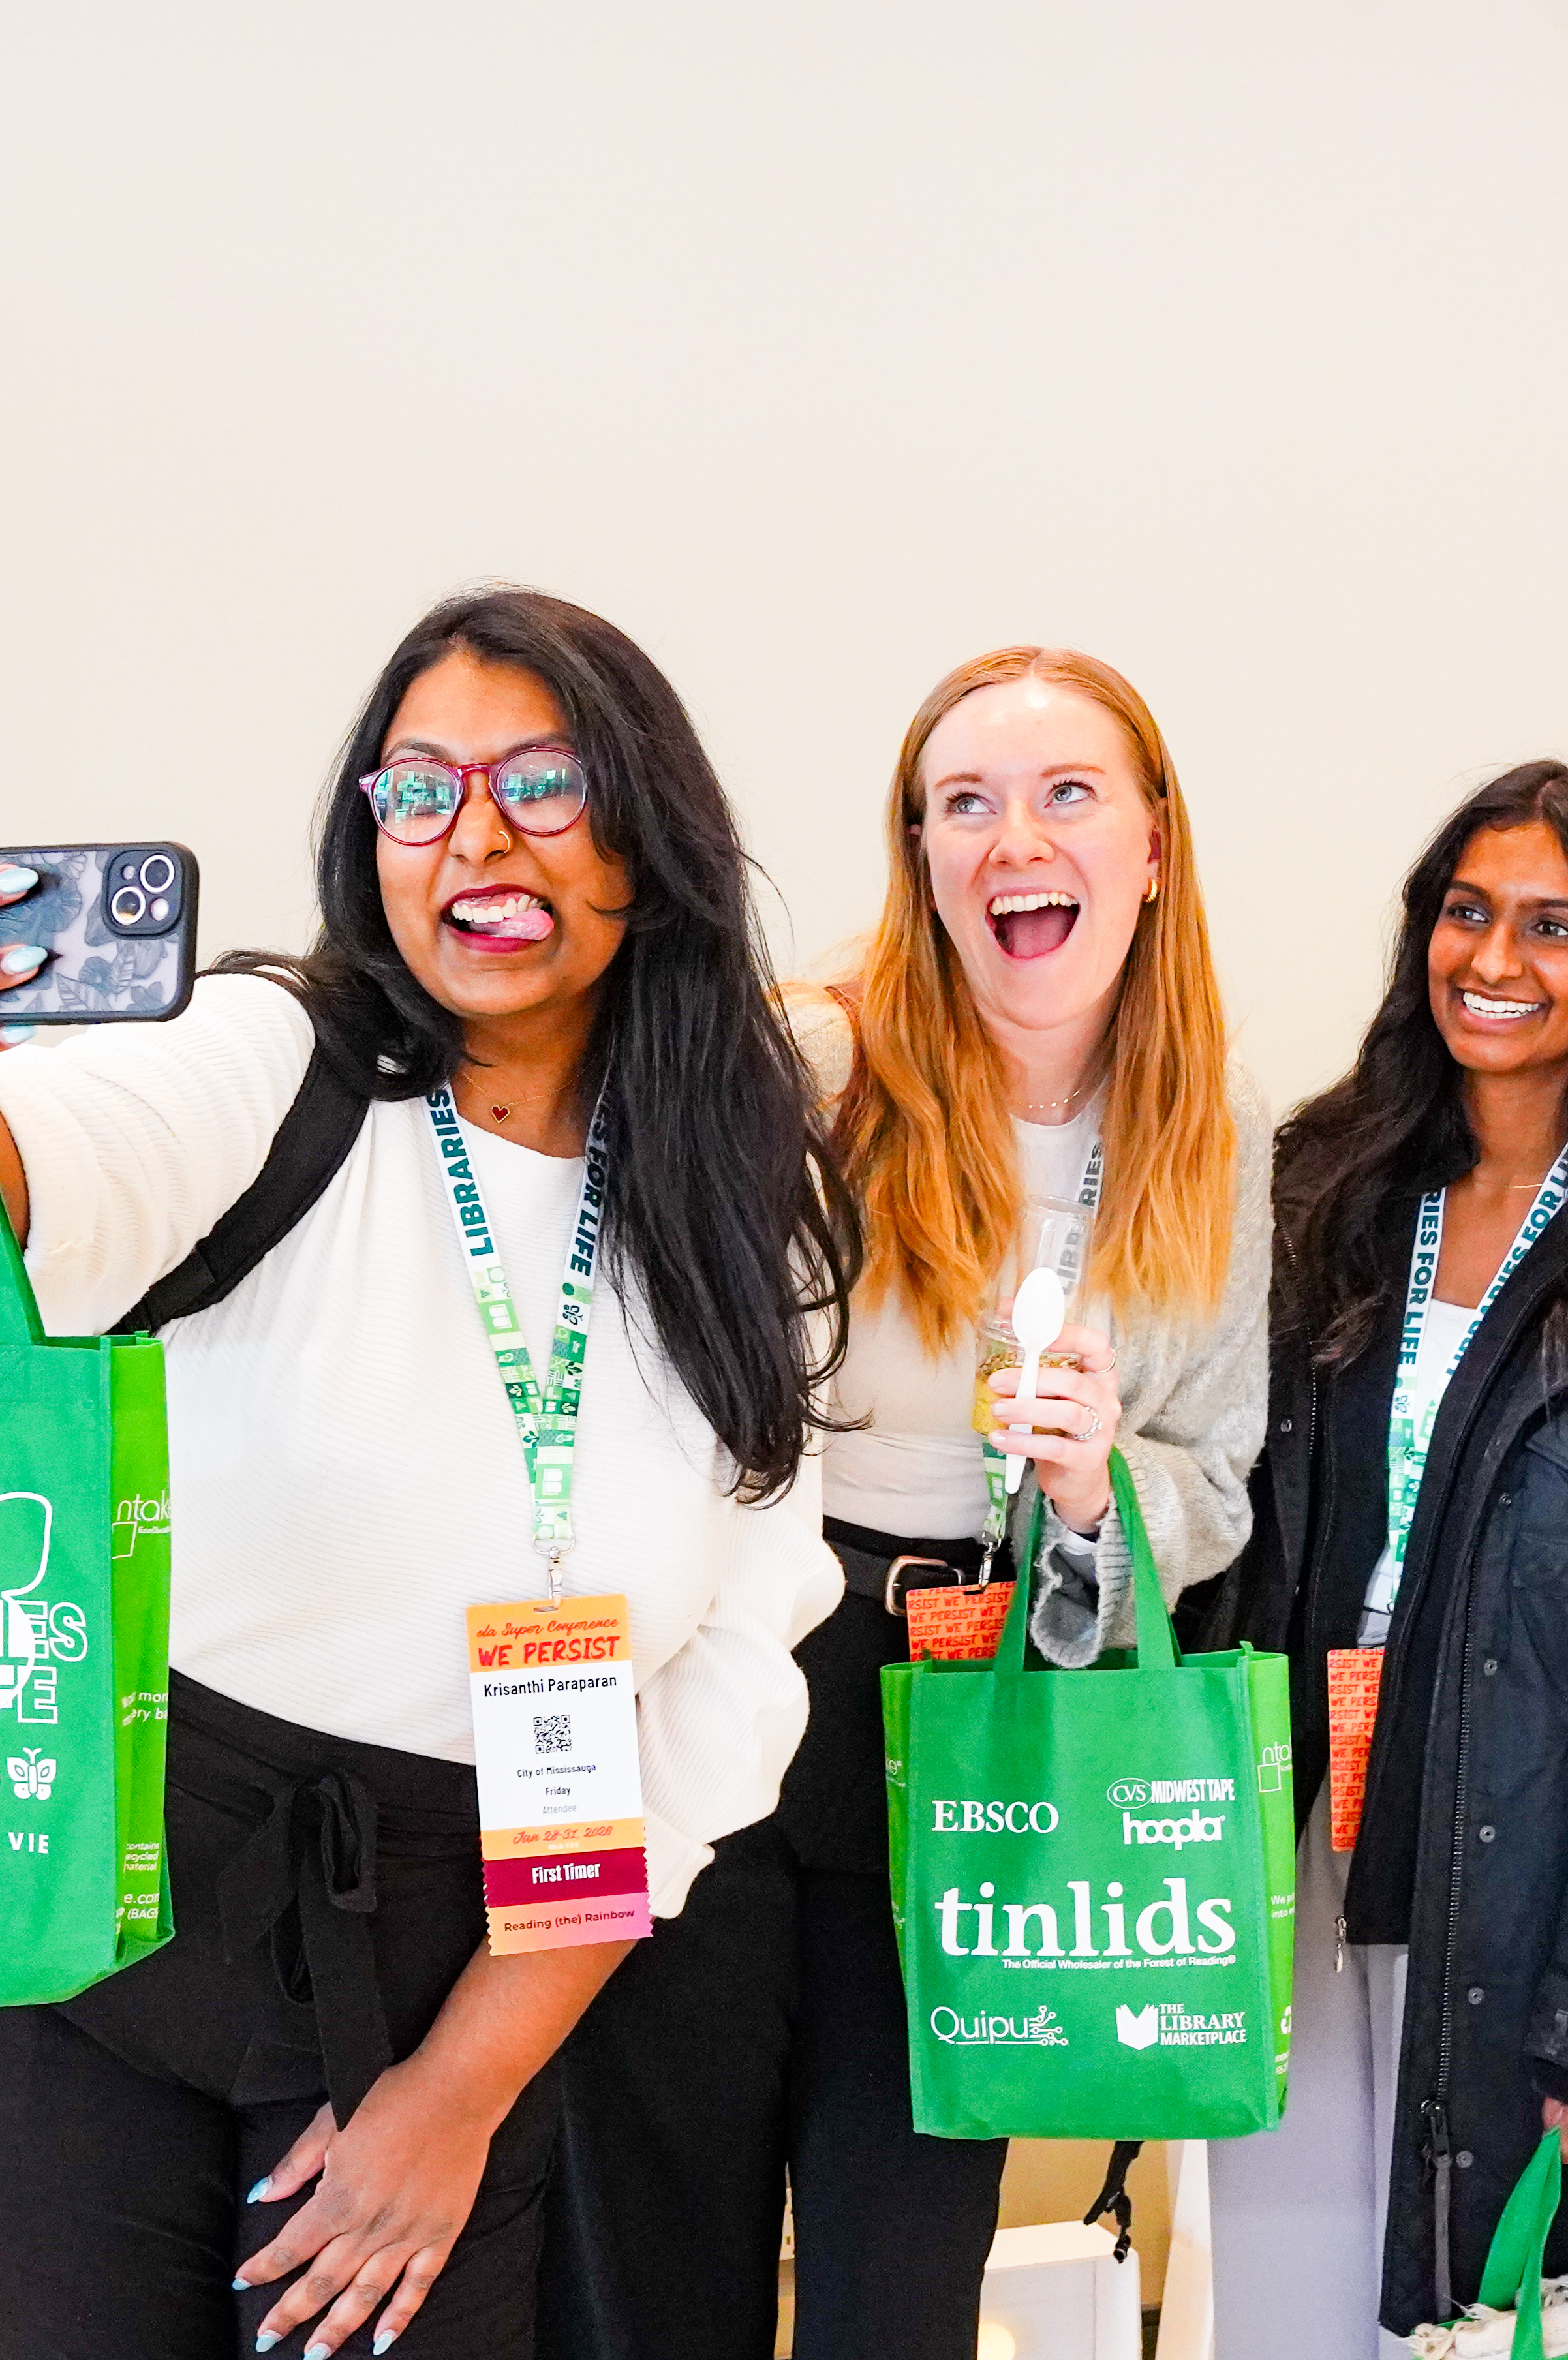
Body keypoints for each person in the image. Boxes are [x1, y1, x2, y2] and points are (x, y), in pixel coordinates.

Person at [0, 588, 856, 2360]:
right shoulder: (282, 1062)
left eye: (541, 781)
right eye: (414, 789)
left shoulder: (738, 1195)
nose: (472, 831)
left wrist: (457, 2091)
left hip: (452, 1932)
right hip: (87, 1894)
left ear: (651, 834)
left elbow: (710, 1700)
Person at [539, 647, 1270, 2360]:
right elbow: (627, 1375)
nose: (1015, 836)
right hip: (739, 1674)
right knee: (652, 2263)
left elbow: (1220, 1479)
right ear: (923, 855)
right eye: (966, 803)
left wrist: (1097, 1487)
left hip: (990, 1725)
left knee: (900, 2284)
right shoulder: (811, 1064)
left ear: (1151, 845)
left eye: (1065, 793)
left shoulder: (1211, 1133)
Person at [1208, 761, 1568, 2351]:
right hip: (1311, 1844)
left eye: (1552, 928)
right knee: (1293, 2305)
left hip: (1542, 1884)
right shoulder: (1323, 1181)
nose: (1494, 960)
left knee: (1510, 2309)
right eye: (1465, 913)